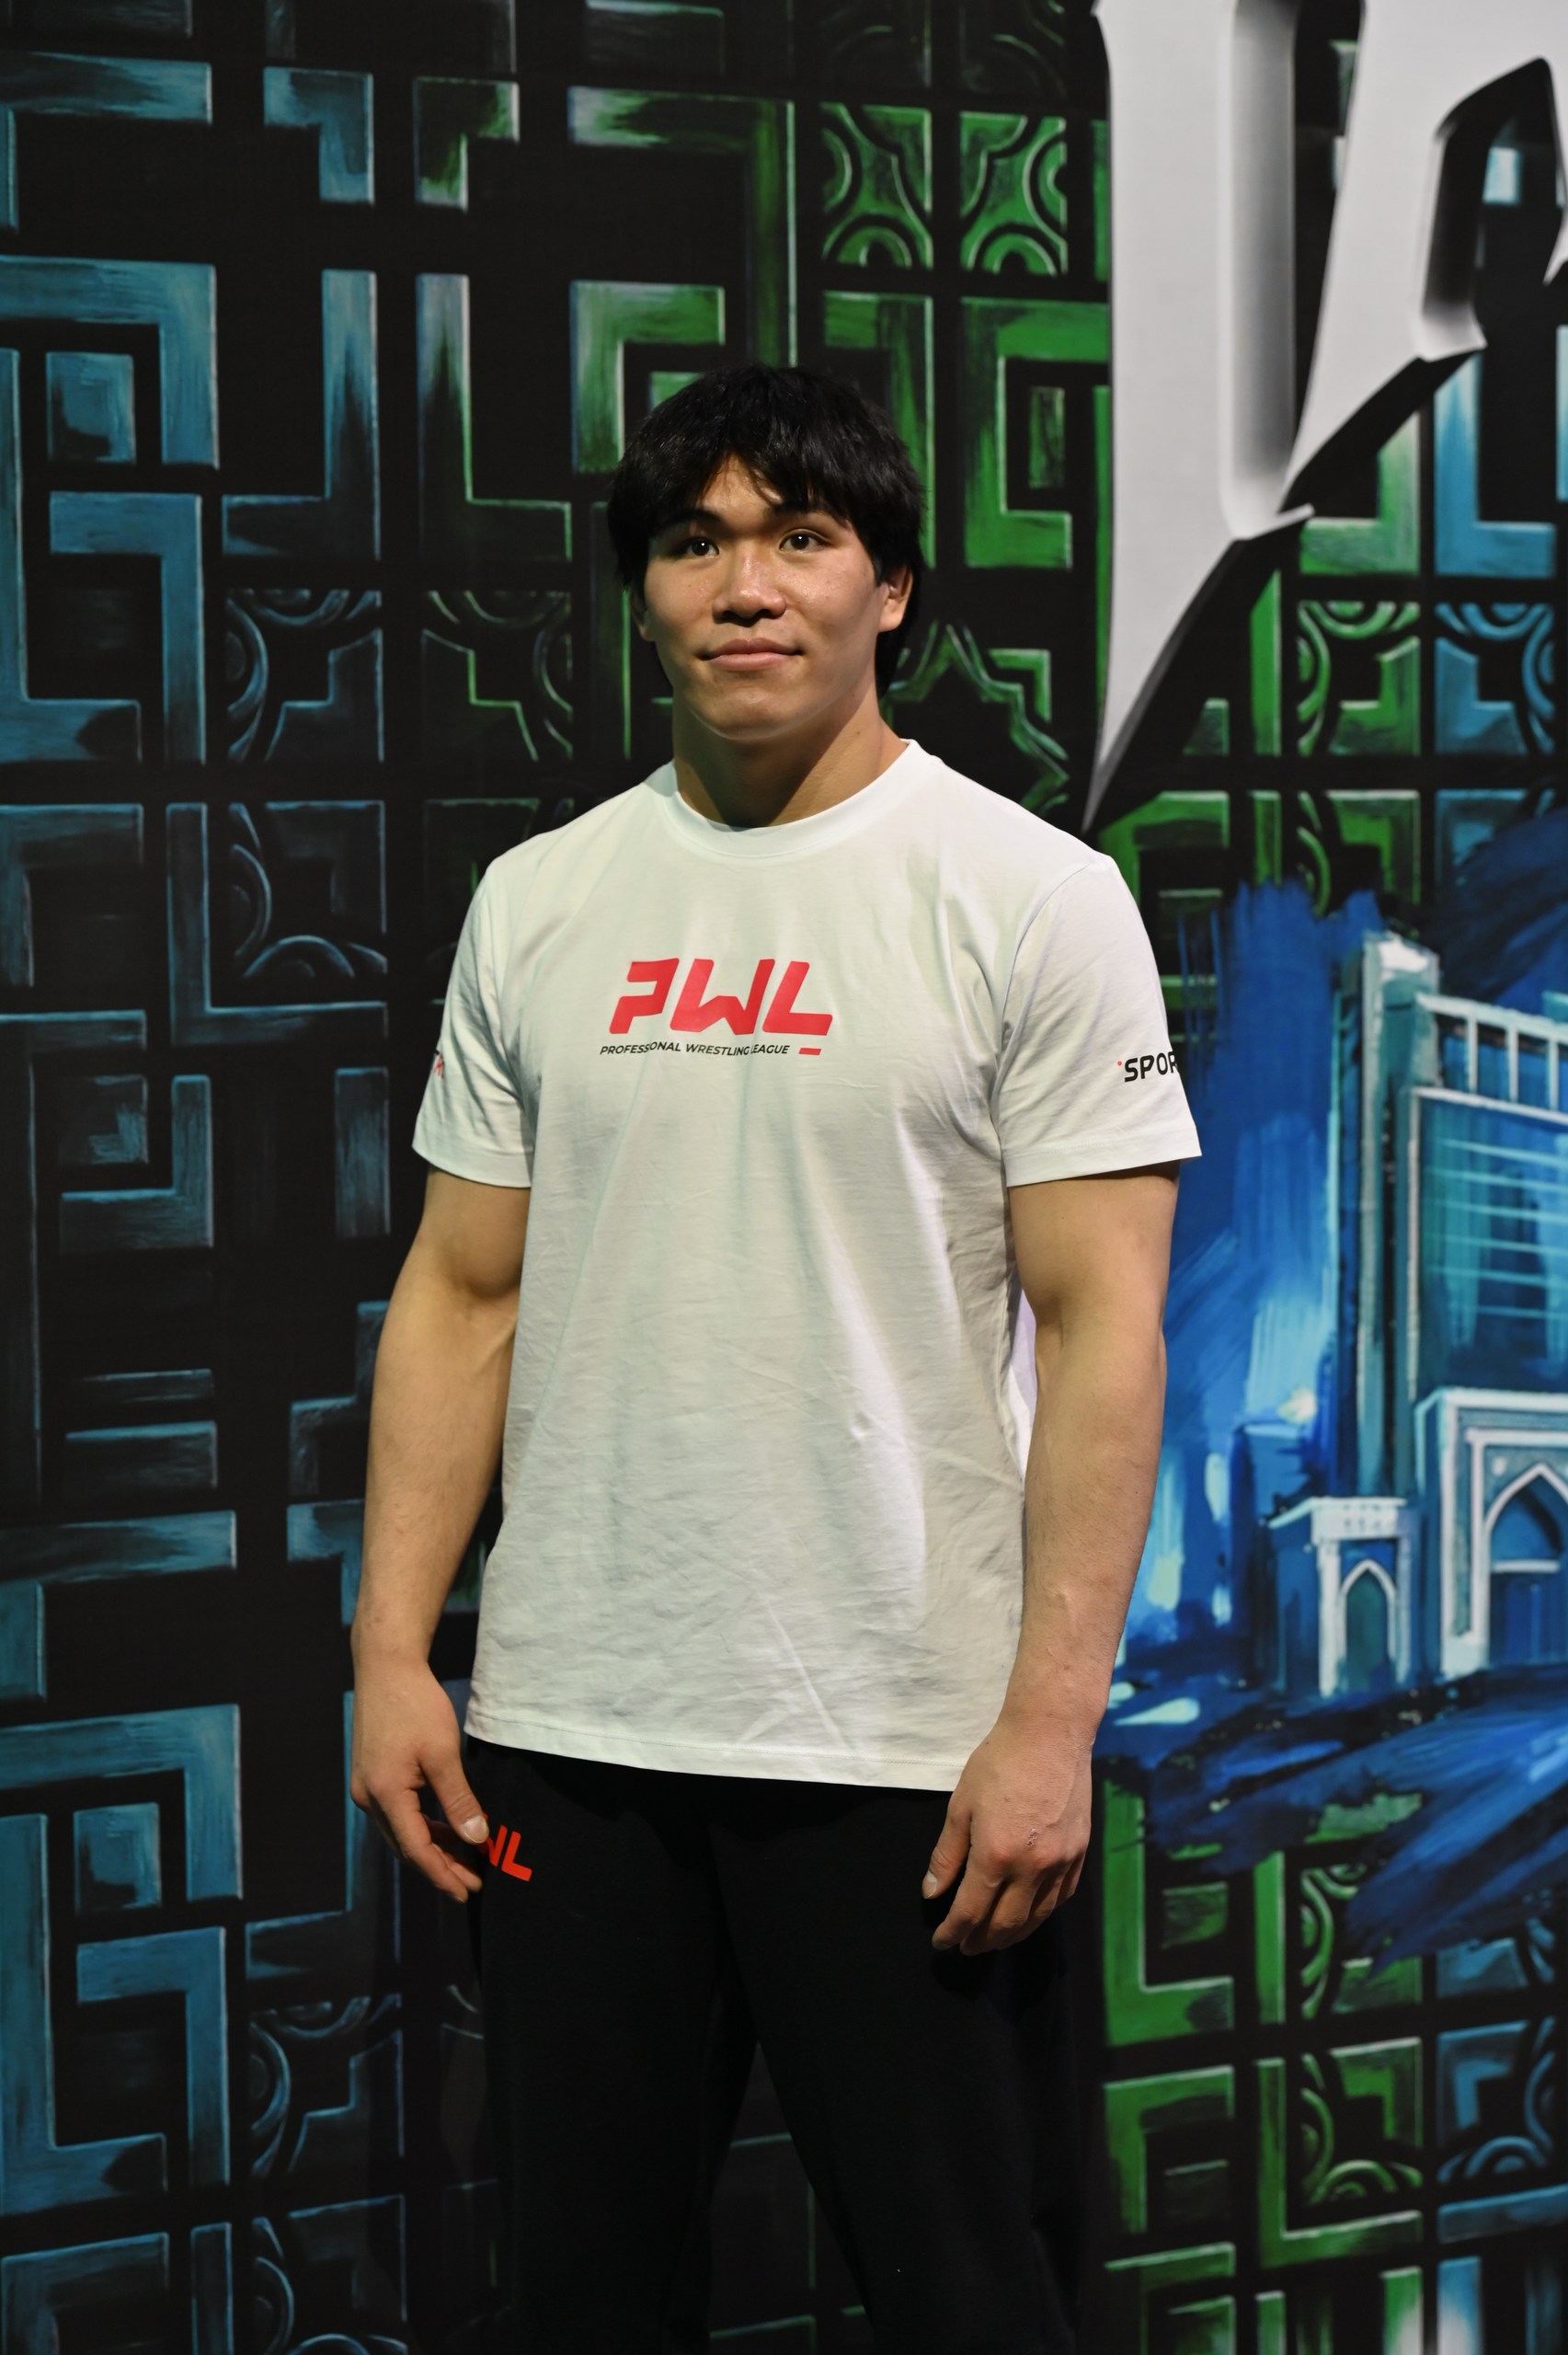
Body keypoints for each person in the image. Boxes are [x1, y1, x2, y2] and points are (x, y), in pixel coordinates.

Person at [349, 363, 1200, 2353]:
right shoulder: (541, 900)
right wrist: (391, 1648)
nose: (745, 585)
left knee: (972, 2298)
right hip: (577, 1735)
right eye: (694, 541)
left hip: (904, 1752)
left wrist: (1047, 1723)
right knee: (582, 2300)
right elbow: (460, 1292)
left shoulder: (1029, 897)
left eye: (800, 537)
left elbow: (1104, 1328)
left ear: (887, 588)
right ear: (643, 592)